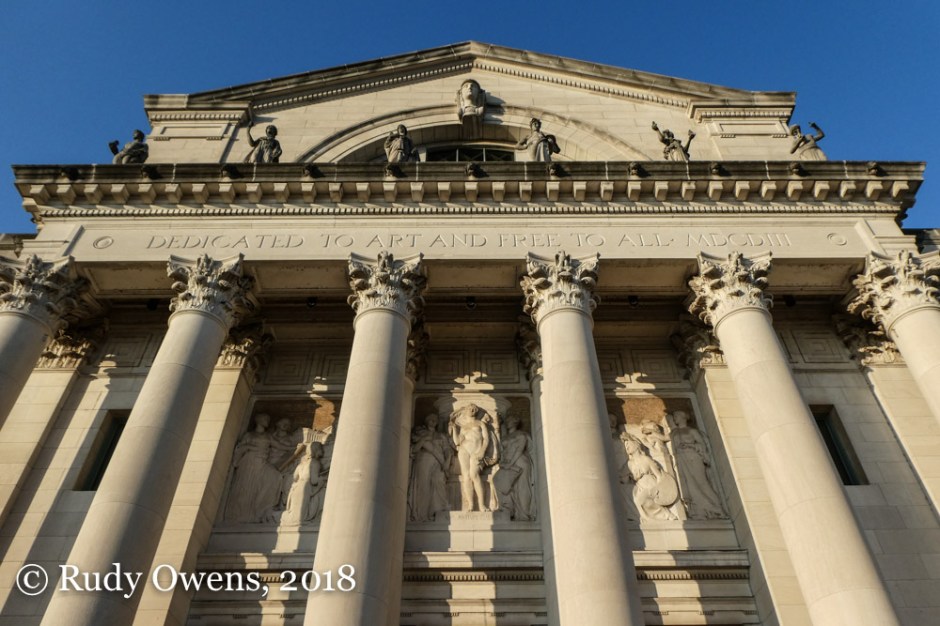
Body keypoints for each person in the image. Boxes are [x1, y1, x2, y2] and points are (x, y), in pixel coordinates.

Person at [224, 413, 283, 523]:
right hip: (249, 463)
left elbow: (280, 446)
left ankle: (262, 509)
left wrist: (300, 446)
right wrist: (248, 448)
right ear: (258, 420)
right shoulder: (249, 435)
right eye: (266, 418)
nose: (268, 421)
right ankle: (240, 515)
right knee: (246, 487)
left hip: (262, 463)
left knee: (275, 476)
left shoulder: (268, 436)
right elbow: (240, 448)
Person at [668, 411, 725, 519]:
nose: (675, 418)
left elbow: (702, 445)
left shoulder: (691, 431)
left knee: (701, 482)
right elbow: (665, 438)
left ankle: (717, 508)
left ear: (683, 417)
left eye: (676, 416)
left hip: (693, 457)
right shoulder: (674, 432)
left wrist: (690, 445)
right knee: (689, 485)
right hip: (682, 459)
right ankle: (698, 511)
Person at [449, 404, 497, 512]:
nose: (471, 410)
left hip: (477, 451)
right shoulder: (463, 427)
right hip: (464, 450)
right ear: (466, 411)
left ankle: (481, 505)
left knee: (474, 474)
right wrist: (454, 429)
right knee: (466, 476)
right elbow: (457, 442)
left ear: (476, 411)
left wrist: (482, 451)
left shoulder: (480, 424)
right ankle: (470, 505)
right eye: (469, 408)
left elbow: (486, 439)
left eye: (473, 408)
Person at [408, 414, 453, 522]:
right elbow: (414, 449)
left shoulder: (441, 436)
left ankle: (438, 510)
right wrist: (423, 440)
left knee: (438, 481)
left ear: (437, 423)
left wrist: (447, 461)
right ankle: (421, 515)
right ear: (426, 421)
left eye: (435, 420)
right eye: (430, 419)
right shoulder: (421, 433)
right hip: (423, 460)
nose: (432, 421)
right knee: (423, 486)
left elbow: (447, 450)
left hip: (438, 463)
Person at [493, 415, 536, 521]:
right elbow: (502, 451)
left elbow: (519, 450)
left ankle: (524, 514)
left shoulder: (522, 435)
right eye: (507, 421)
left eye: (510, 420)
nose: (508, 422)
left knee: (522, 487)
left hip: (520, 462)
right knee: (498, 481)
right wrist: (503, 463)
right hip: (508, 463)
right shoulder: (506, 437)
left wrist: (510, 464)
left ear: (515, 422)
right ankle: (508, 508)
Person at [282, 440, 326, 525]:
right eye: (321, 449)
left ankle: (276, 515)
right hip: (305, 488)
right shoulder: (315, 463)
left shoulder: (301, 464)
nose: (323, 451)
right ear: (316, 450)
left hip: (297, 489)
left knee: (295, 514)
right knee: (299, 518)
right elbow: (314, 481)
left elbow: (294, 478)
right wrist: (323, 478)